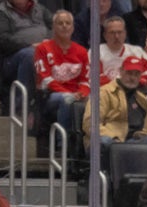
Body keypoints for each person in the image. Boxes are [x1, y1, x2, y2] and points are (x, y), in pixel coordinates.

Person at [35, 10, 91, 150]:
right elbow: (45, 79)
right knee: (66, 100)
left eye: (68, 23)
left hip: (76, 94)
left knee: (96, 101)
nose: (64, 26)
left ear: (73, 27)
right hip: (50, 96)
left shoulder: (82, 52)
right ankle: (63, 146)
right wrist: (69, 94)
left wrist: (81, 93)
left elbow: (85, 81)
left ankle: (88, 146)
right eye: (60, 23)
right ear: (53, 27)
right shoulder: (43, 48)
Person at [0, 0, 53, 115]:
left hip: (44, 51)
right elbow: (1, 39)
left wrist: (48, 42)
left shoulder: (40, 9)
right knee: (30, 55)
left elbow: (56, 26)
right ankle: (19, 107)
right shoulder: (3, 12)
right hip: (12, 58)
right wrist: (29, 45)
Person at [84, 55, 147, 154]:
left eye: (137, 74)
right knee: (106, 142)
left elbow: (146, 127)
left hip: (132, 141)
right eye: (129, 73)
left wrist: (145, 134)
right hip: (108, 139)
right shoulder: (104, 92)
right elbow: (90, 124)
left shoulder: (142, 98)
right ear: (121, 71)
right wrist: (113, 137)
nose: (132, 78)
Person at [98, 16, 147, 87]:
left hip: (134, 90)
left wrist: (131, 83)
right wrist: (121, 85)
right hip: (108, 93)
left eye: (120, 32)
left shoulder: (137, 51)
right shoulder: (96, 52)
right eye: (112, 33)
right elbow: (95, 78)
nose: (116, 36)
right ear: (105, 35)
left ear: (125, 34)